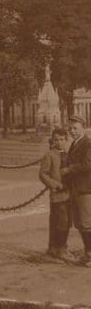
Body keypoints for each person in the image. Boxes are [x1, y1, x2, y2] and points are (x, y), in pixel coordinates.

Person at [61, 114, 91, 267]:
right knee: (80, 223)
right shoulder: (74, 143)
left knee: (86, 223)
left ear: (83, 128)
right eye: (70, 128)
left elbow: (88, 165)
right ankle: (88, 254)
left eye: (75, 128)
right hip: (76, 188)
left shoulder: (87, 143)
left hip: (85, 188)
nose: (72, 131)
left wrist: (69, 170)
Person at [39, 127, 71, 258]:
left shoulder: (69, 154)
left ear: (66, 140)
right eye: (56, 139)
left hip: (70, 193)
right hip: (57, 194)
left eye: (62, 139)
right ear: (52, 140)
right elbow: (43, 174)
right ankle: (58, 248)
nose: (59, 142)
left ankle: (61, 247)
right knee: (60, 221)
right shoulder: (49, 155)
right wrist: (56, 185)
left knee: (68, 221)